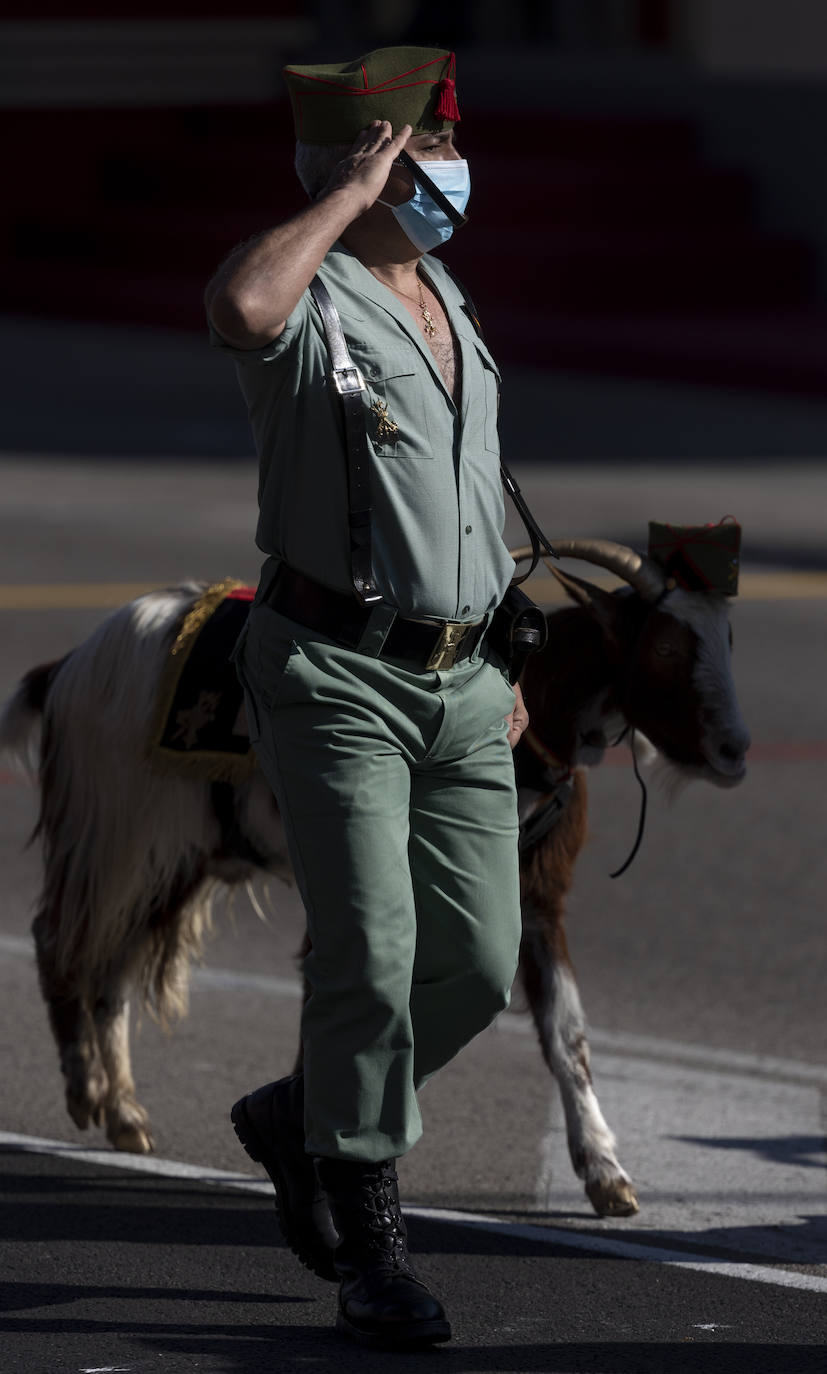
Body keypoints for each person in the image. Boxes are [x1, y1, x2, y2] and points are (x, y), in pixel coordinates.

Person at [205, 45, 529, 1350]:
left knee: (482, 962)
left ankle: (303, 1115)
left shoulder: (449, 294)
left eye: (449, 149)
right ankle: (370, 1243)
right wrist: (344, 199)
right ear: (368, 160)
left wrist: (502, 646)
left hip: (463, 678)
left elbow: (472, 487)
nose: (450, 171)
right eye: (426, 151)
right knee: (373, 955)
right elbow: (237, 304)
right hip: (337, 674)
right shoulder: (320, 298)